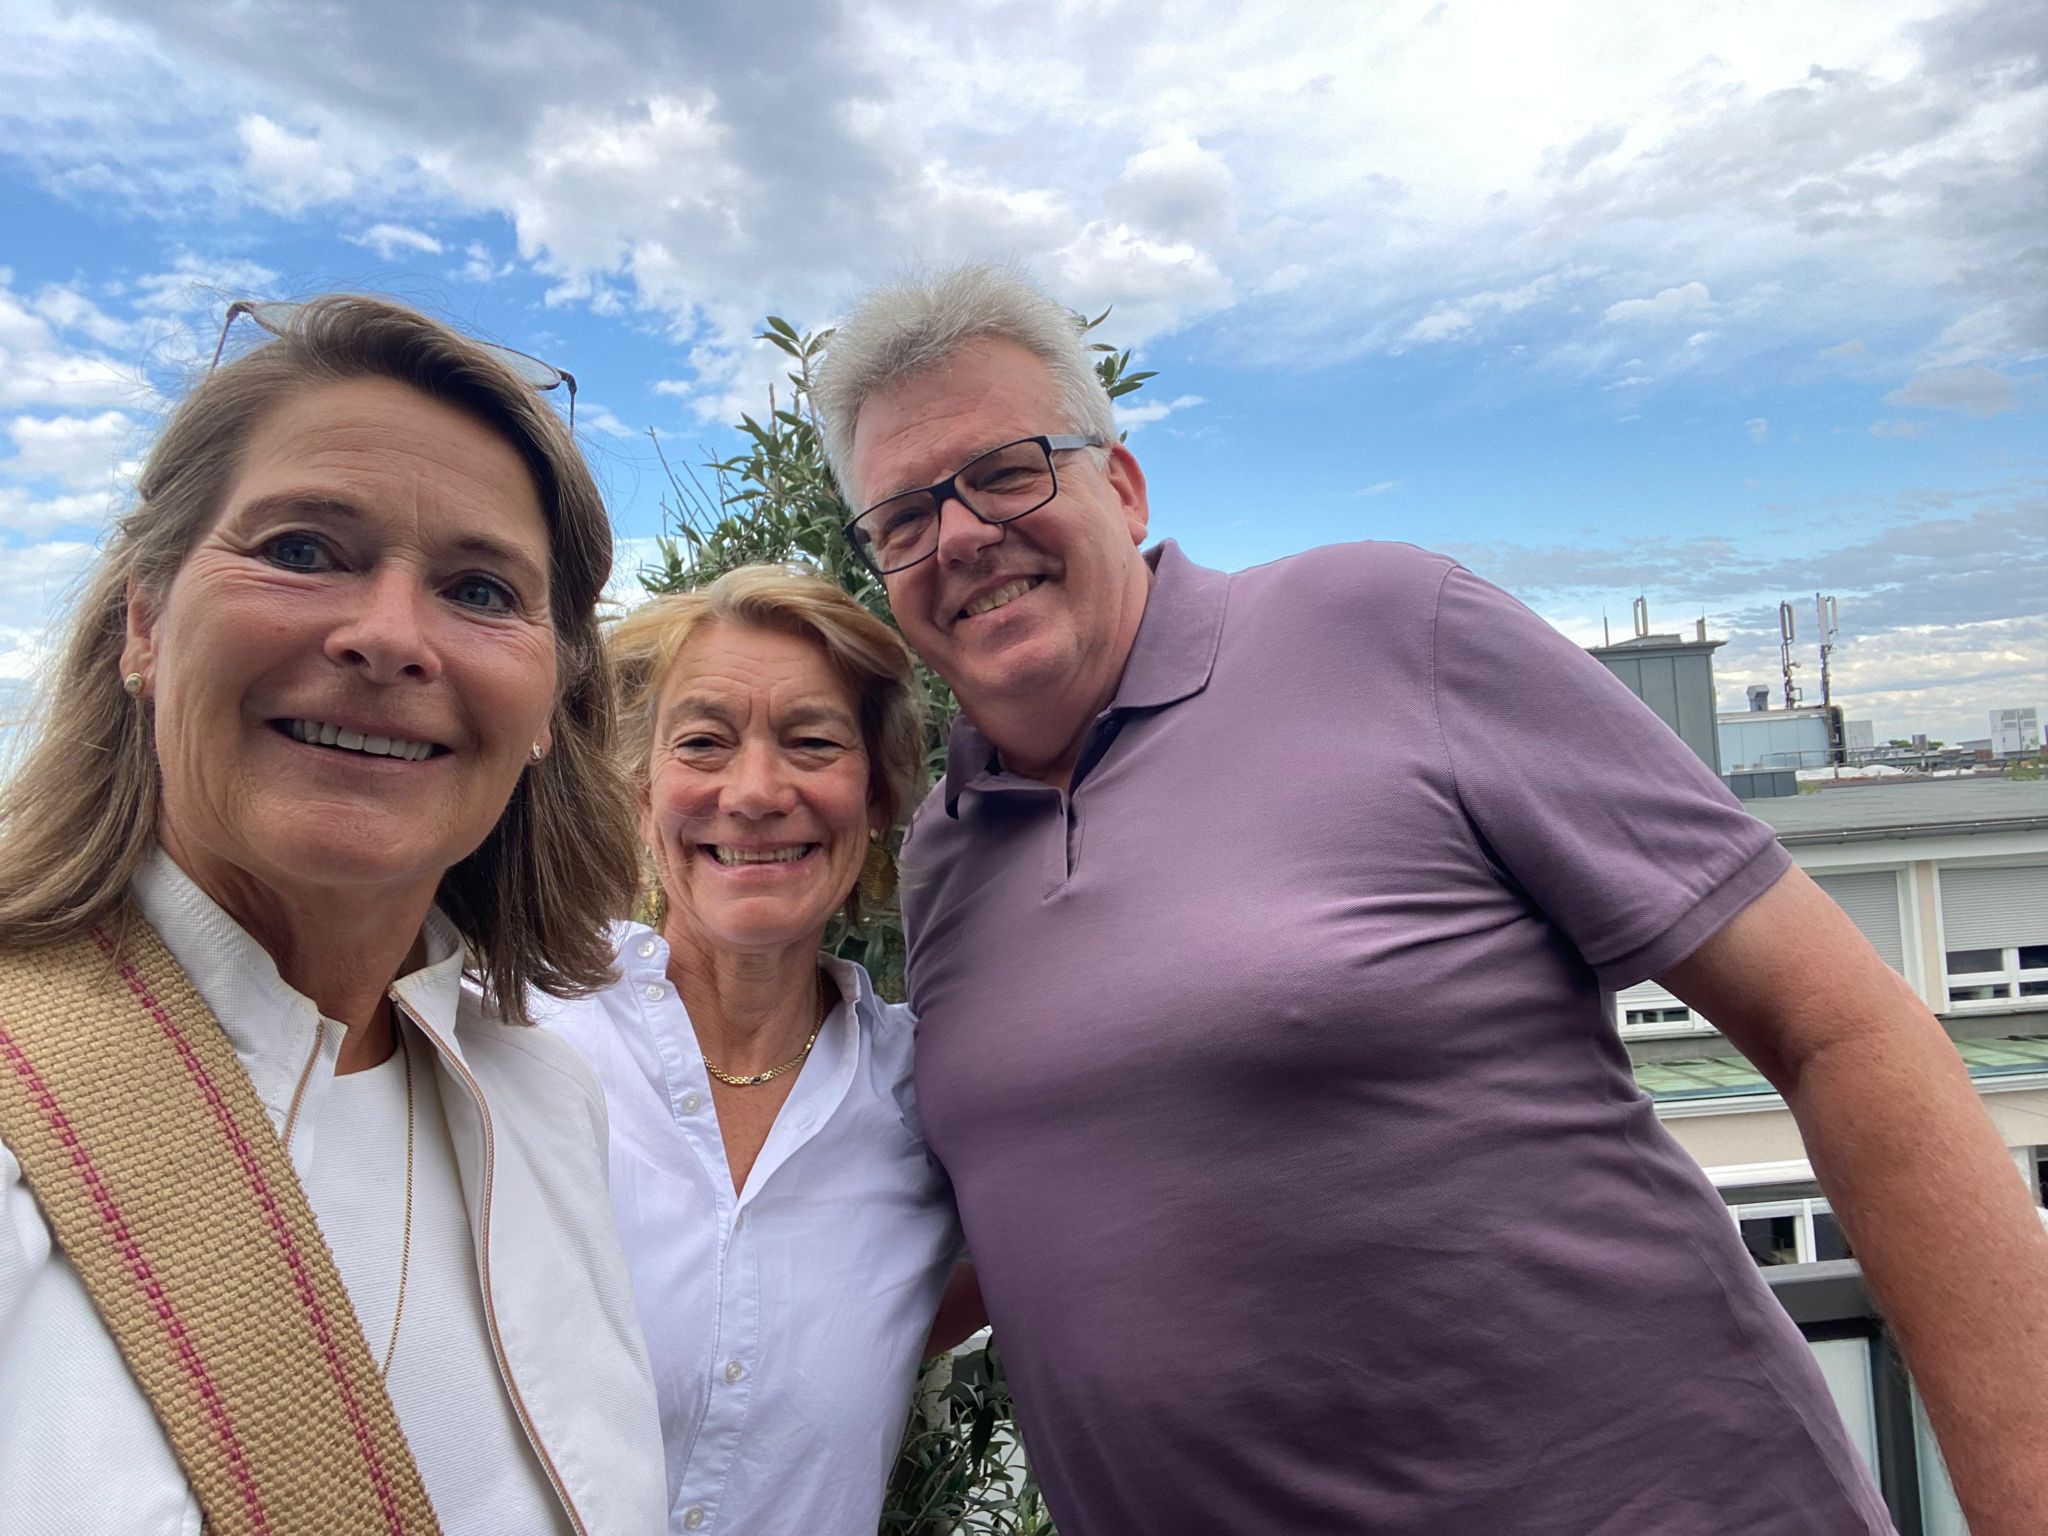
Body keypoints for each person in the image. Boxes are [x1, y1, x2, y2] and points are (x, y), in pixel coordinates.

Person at [809, 264, 2048, 1535]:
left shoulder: (1385, 626)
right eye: (902, 517)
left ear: (1120, 486)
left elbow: (1836, 1025)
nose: (960, 535)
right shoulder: (941, 856)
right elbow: (1031, 1218)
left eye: (1006, 470)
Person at [0, 295, 666, 1534]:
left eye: (481, 589)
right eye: (303, 550)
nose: (389, 637)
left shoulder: (543, 1106)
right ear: (145, 621)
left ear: (548, 702)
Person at [535, 564, 964, 1535]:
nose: (757, 791)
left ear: (877, 796)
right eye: (703, 742)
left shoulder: (928, 1095)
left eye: (813, 742)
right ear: (642, 793)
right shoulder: (512, 1028)